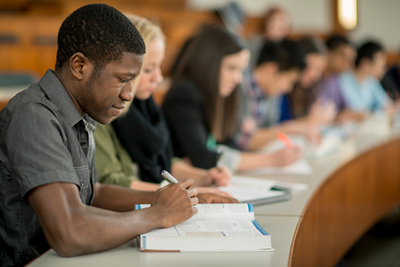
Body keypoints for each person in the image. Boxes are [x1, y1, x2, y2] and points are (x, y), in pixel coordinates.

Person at [0, 4, 234, 267]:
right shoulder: (34, 116)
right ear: (79, 66)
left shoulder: (79, 112)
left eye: (132, 80)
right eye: (122, 78)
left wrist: (171, 199)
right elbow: (69, 232)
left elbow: (93, 193)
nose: (128, 93)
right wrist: (156, 214)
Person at [95, 14, 231, 190]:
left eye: (159, 66)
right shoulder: (102, 113)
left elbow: (163, 164)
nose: (158, 78)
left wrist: (206, 178)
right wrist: (182, 193)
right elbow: (111, 182)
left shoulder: (148, 108)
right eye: (149, 69)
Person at [162, 26, 301, 172]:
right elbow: (202, 157)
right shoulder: (185, 94)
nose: (238, 79)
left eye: (241, 70)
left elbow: (230, 145)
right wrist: (269, 160)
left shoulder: (219, 94)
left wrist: (222, 158)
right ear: (210, 63)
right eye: (232, 68)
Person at [237, 39, 321, 152]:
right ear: (271, 70)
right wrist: (290, 129)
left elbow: (270, 128)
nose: (288, 88)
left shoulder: (271, 91)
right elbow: (245, 140)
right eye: (289, 81)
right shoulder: (238, 85)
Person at [283, 37, 336, 124]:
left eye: (319, 70)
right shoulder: (282, 88)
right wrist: (308, 121)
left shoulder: (312, 89)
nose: (316, 75)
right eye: (311, 67)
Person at [336, 41, 392, 113]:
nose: (384, 70)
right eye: (381, 65)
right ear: (365, 63)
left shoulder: (372, 81)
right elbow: (350, 110)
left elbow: (386, 105)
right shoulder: (342, 79)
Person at [318, 34, 362, 122]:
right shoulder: (313, 78)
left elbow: (345, 109)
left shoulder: (335, 79)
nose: (348, 63)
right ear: (328, 53)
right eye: (344, 57)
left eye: (351, 59)